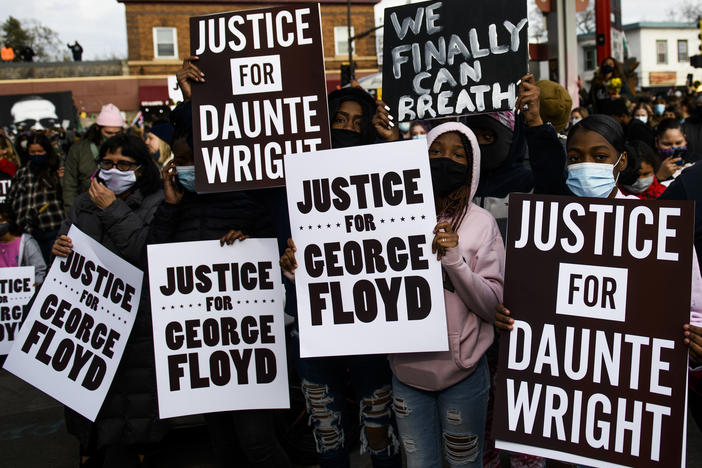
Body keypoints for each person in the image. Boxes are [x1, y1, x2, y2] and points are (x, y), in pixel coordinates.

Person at [148, 122, 290, 468]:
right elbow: (151, 257)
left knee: (257, 442)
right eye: (178, 160)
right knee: (223, 446)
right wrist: (169, 205)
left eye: (189, 160)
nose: (183, 168)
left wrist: (249, 238)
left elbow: (274, 252)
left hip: (246, 341)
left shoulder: (246, 201)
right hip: (202, 346)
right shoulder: (169, 204)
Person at [279, 85, 402, 468]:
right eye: (340, 119)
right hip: (313, 318)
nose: (348, 127)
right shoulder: (294, 174)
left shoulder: (380, 168)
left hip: (367, 318)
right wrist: (285, 258)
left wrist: (391, 144)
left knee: (378, 420)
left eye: (358, 122)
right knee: (326, 425)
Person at [389, 122, 504, 468]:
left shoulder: (482, 223)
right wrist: (300, 269)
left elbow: (492, 305)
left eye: (458, 155)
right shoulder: (393, 215)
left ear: (472, 166)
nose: (445, 160)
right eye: (436, 152)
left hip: (463, 372)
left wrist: (455, 262)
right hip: (405, 373)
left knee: (464, 464)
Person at [52, 133, 166, 467]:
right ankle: (90, 447)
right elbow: (67, 244)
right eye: (107, 163)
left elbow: (143, 253)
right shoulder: (82, 203)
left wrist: (112, 209)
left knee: (136, 401)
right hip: (88, 319)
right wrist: (58, 248)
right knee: (88, 397)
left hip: (137, 323)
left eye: (124, 164)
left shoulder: (158, 202)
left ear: (141, 169)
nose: (114, 170)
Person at [6, 132, 64, 263]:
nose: (36, 155)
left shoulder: (55, 169)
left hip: (51, 227)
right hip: (27, 229)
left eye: (40, 151)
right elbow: (12, 197)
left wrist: (61, 179)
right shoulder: (23, 171)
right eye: (32, 152)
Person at [63, 103, 124, 211]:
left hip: (118, 208)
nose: (113, 137)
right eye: (108, 133)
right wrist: (71, 214)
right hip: (86, 209)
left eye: (117, 133)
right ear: (98, 129)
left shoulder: (128, 149)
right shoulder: (79, 150)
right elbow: (70, 185)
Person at [0, 202, 46, 285]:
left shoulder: (26, 242)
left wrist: (32, 285)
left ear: (8, 221)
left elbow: (40, 271)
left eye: (1, 220)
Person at [655, 118, 698, 183]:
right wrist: (659, 176)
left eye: (678, 143)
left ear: (685, 139)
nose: (674, 148)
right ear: (657, 142)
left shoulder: (697, 161)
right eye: (667, 144)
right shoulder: (649, 166)